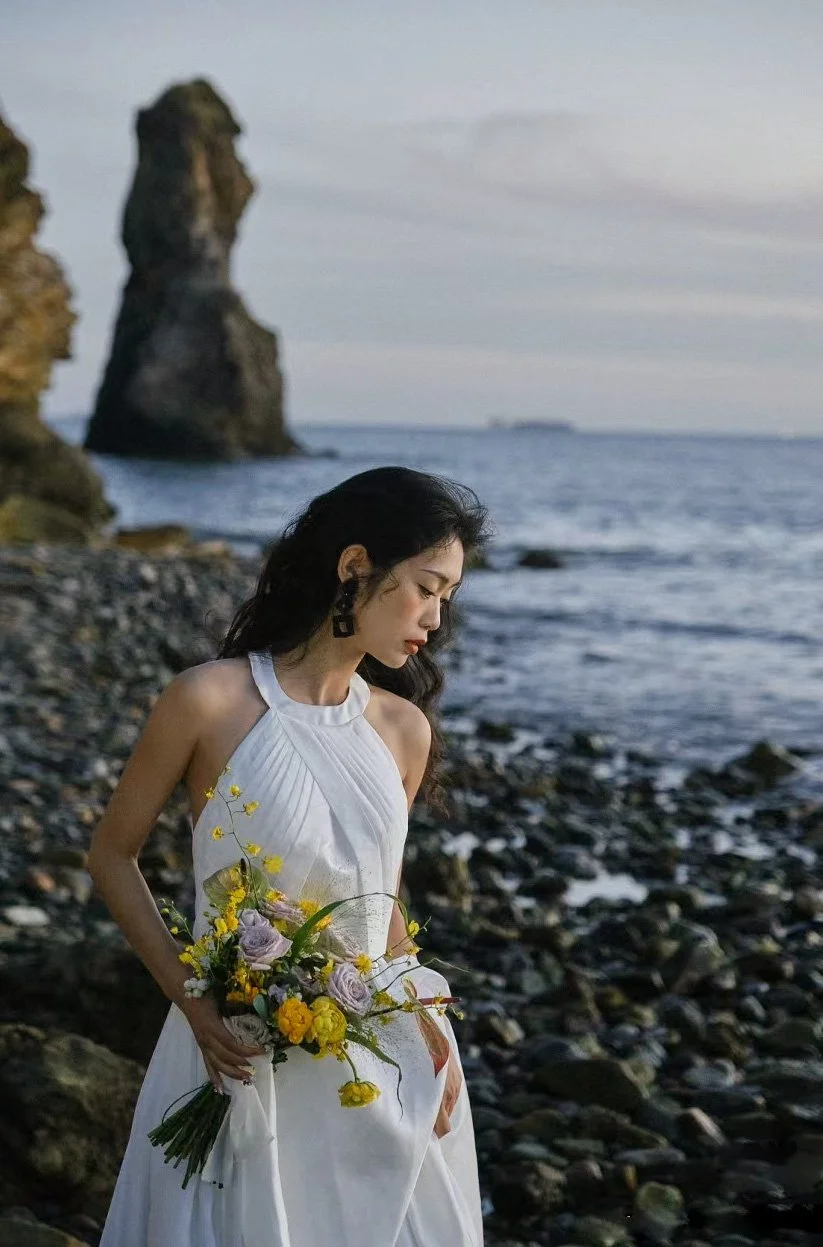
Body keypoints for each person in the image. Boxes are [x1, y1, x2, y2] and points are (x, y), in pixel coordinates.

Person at [88, 465, 493, 1247]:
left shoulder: (403, 730)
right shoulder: (207, 700)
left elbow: (381, 905)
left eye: (447, 596)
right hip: (233, 1054)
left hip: (377, 1058)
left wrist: (428, 1027)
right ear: (355, 567)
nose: (435, 617)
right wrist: (194, 1004)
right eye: (426, 587)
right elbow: (111, 855)